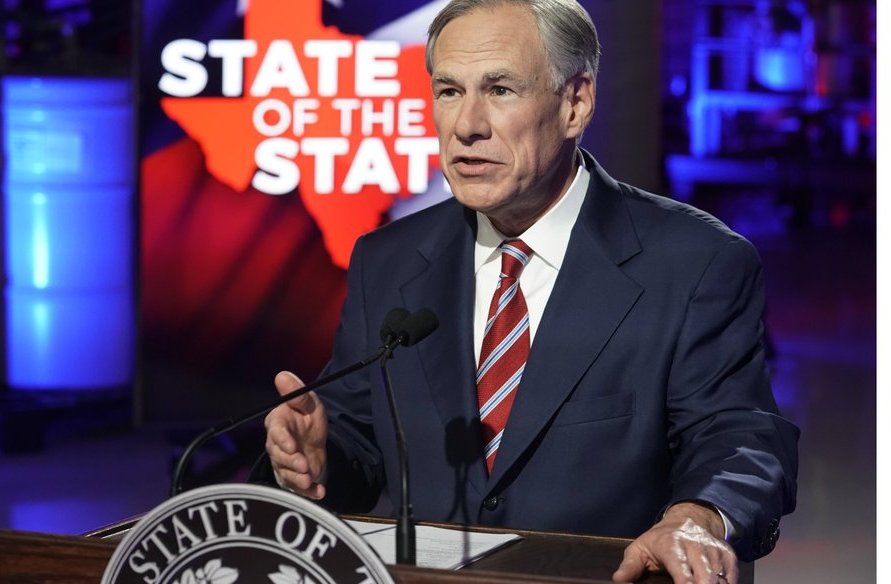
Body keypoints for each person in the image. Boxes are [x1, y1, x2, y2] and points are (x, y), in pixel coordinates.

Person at [261, 1, 799, 582]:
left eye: (500, 90)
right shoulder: (386, 260)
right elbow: (361, 438)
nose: (466, 124)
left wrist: (696, 516)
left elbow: (738, 435)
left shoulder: (696, 261)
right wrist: (320, 456)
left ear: (576, 103)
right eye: (448, 91)